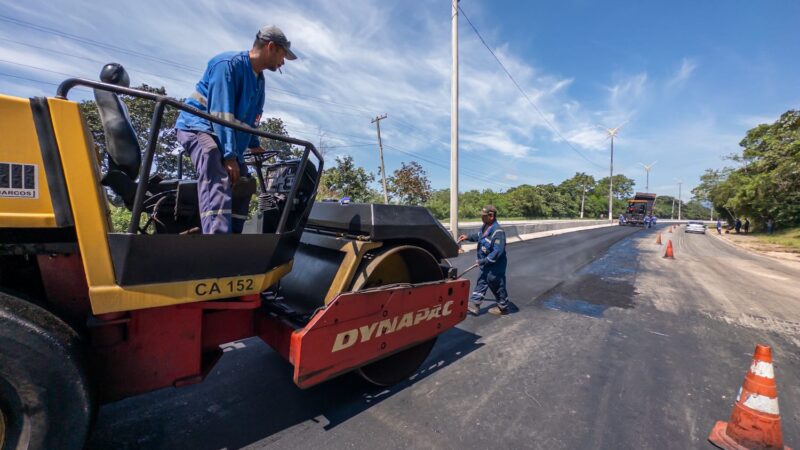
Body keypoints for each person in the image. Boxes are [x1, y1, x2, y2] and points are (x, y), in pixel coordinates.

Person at [175, 25, 297, 234]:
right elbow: (221, 114)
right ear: (271, 47)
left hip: (223, 135)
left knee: (244, 181)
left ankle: (234, 237)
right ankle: (216, 242)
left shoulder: (259, 80)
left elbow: (250, 118)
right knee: (214, 158)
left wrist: (254, 145)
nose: (283, 61)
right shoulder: (228, 65)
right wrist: (230, 157)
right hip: (198, 127)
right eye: (283, 55)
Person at [457, 205, 510, 316]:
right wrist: (467, 237)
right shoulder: (485, 226)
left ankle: (503, 307)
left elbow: (497, 252)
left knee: (496, 284)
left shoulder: (498, 232)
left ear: (491, 216)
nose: (482, 217)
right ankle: (475, 305)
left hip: (495, 266)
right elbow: (479, 236)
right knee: (482, 281)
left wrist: (483, 261)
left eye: (484, 216)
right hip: (485, 263)